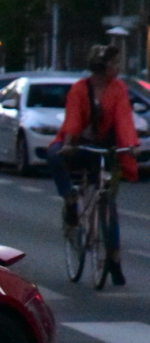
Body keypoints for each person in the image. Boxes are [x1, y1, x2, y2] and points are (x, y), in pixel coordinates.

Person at [46, 44, 139, 286]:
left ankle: (114, 258)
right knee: (54, 155)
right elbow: (73, 118)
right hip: (80, 145)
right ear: (103, 66)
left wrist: (129, 145)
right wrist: (68, 143)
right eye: (115, 64)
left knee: (108, 201)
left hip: (106, 147)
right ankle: (69, 199)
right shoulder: (80, 89)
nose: (118, 68)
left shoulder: (118, 89)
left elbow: (124, 119)